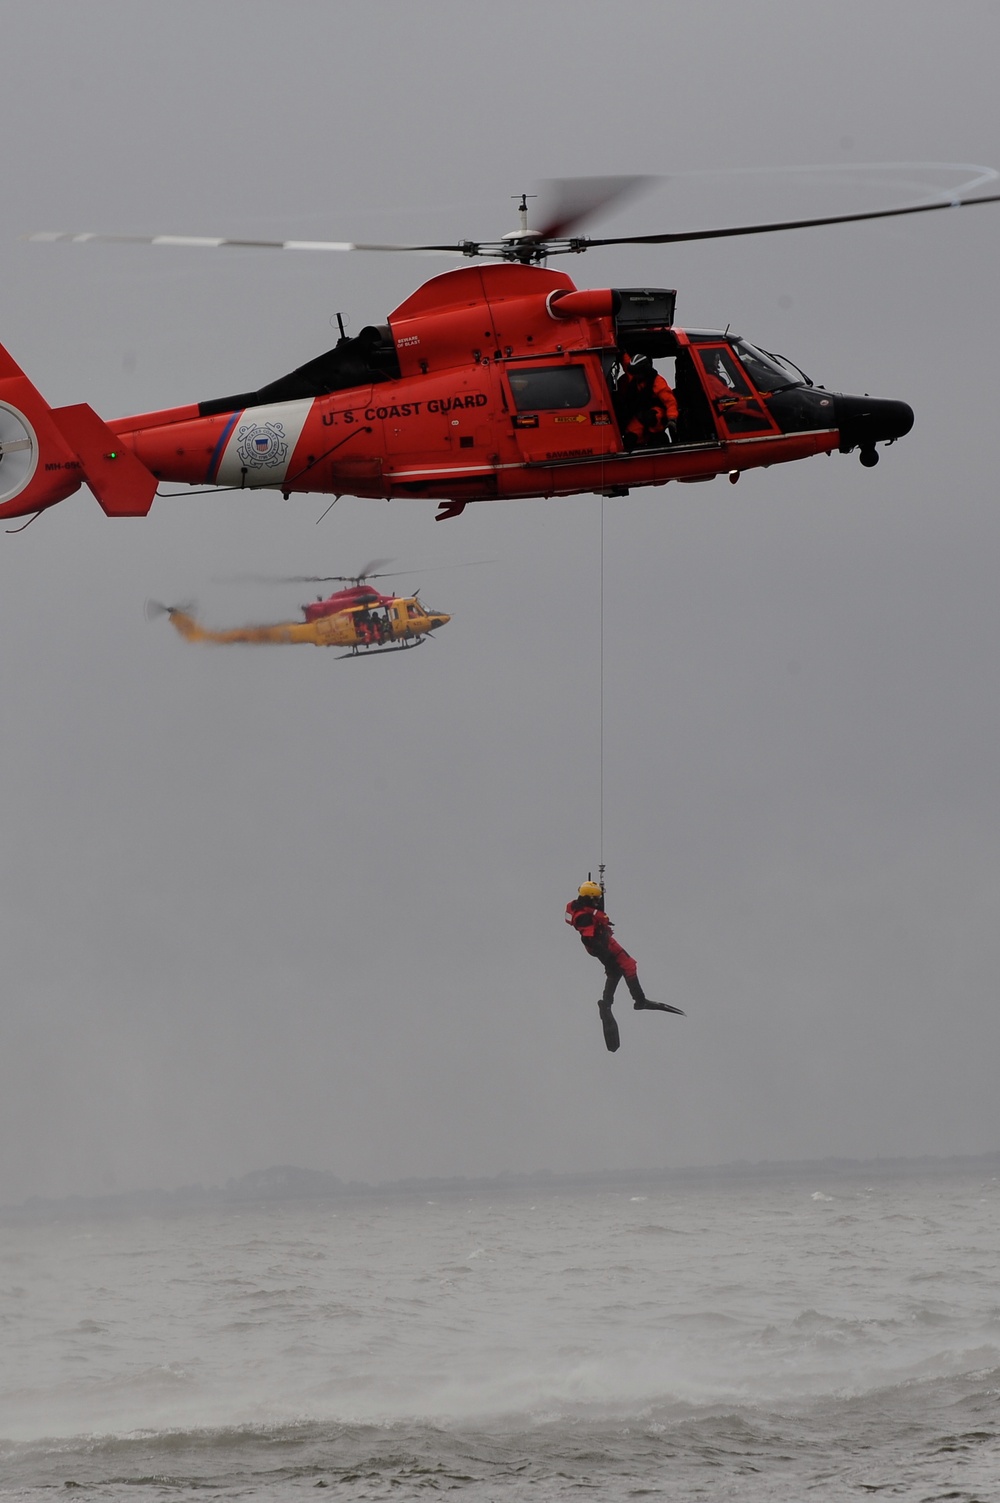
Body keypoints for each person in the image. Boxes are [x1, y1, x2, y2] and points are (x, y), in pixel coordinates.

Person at [565, 880, 682, 1052]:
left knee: (626, 966)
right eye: (596, 899)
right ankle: (614, 1003)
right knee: (619, 968)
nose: (597, 902)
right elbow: (587, 938)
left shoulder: (583, 906)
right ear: (589, 898)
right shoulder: (583, 916)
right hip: (601, 945)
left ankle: (633, 1001)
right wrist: (605, 956)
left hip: (604, 940)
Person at [622, 353, 678, 449]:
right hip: (640, 413)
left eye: (637, 372)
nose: (636, 375)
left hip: (656, 414)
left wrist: (672, 419)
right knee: (630, 438)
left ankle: (657, 438)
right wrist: (622, 353)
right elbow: (626, 362)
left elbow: (670, 402)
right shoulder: (634, 378)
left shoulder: (657, 382)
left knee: (651, 418)